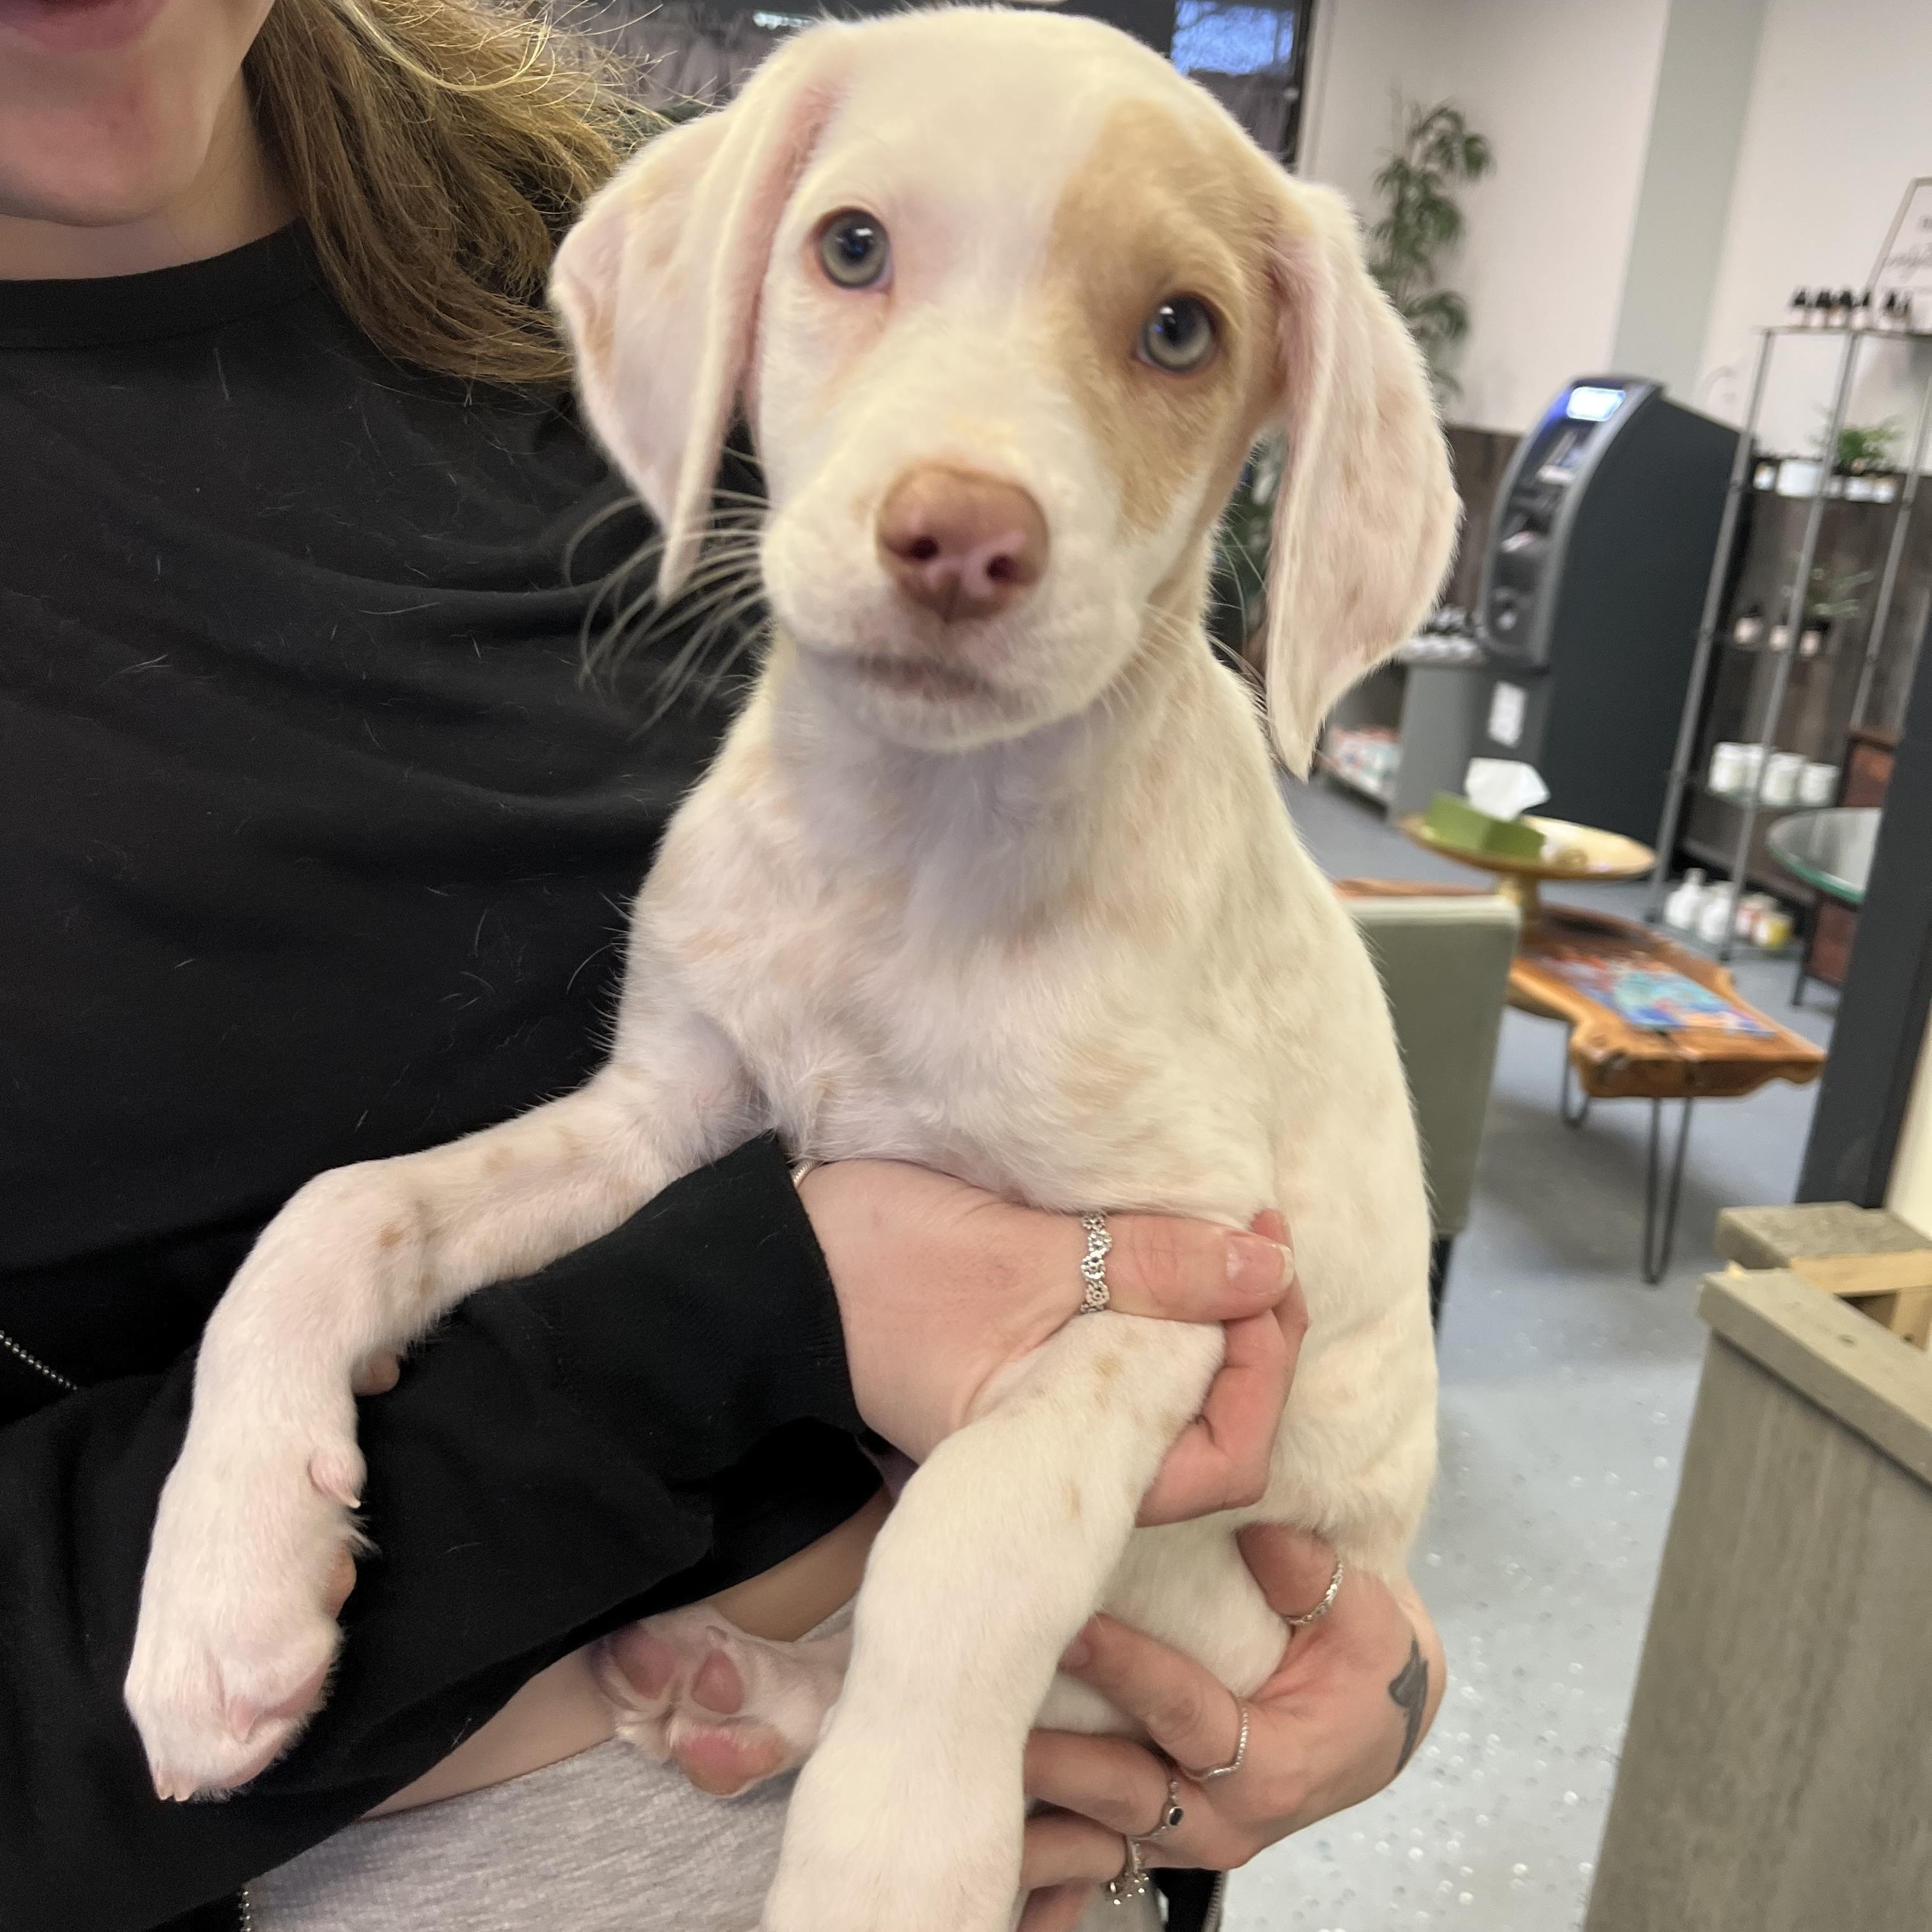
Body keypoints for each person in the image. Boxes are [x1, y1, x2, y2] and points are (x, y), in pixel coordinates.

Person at [0, 2, 1445, 1929]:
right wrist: (743, 1299)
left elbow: (1224, 1313)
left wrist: (1364, 1666)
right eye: (860, 256)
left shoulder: (558, 211)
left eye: (1172, 326)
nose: (965, 503)